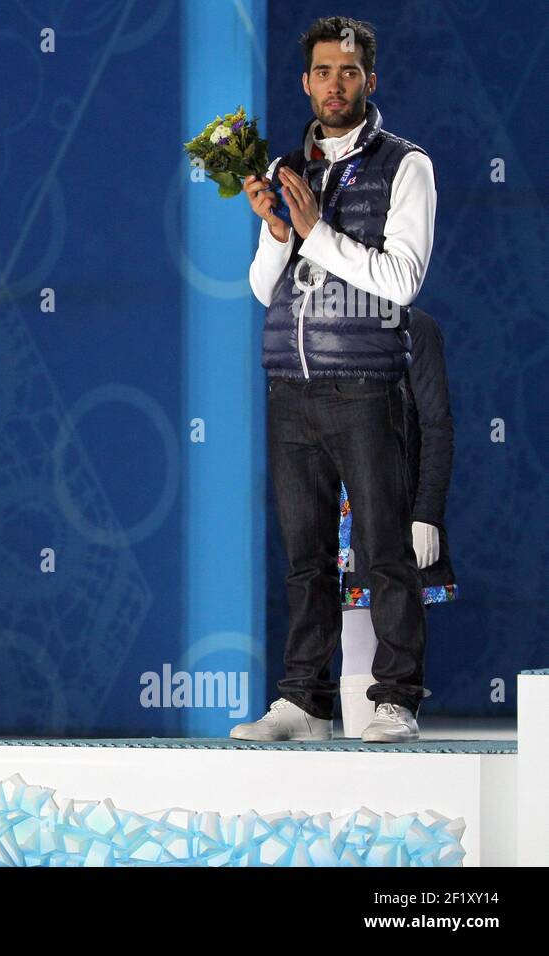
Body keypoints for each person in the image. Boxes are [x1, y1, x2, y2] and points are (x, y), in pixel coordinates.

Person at [229, 16, 437, 743]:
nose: (335, 84)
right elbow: (262, 288)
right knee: (304, 558)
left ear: (369, 81)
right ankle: (304, 699)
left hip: (367, 386)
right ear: (306, 82)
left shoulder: (406, 165)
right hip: (291, 385)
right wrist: (282, 236)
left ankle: (396, 697)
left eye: (348, 71)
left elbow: (401, 280)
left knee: (384, 550)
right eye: (322, 72)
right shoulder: (289, 165)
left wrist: (317, 234)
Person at [338, 307, 457, 736]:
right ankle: (355, 767)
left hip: (395, 499)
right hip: (342, 504)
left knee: (395, 616)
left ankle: (395, 714)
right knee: (351, 629)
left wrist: (426, 511)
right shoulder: (324, 327)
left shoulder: (416, 327)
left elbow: (436, 424)